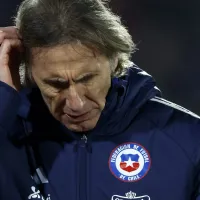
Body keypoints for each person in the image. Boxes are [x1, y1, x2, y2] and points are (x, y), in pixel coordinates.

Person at [0, 0, 200, 199]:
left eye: (87, 79)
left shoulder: (190, 140)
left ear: (114, 60)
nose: (76, 103)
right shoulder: (8, 134)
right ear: (29, 72)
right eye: (56, 84)